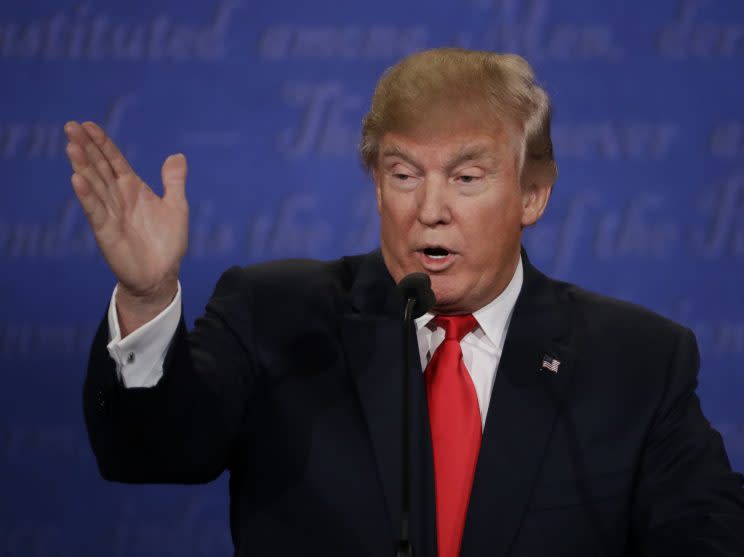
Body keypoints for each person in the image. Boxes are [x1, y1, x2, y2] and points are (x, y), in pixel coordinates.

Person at [66, 48, 744, 556]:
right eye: (404, 174)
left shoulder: (634, 360)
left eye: (466, 176)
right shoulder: (277, 315)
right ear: (377, 187)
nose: (430, 210)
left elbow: (707, 533)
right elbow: (147, 451)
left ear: (533, 194)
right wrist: (149, 293)